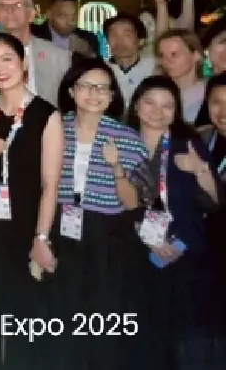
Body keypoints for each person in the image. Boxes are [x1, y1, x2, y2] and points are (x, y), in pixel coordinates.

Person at [0, 33, 63, 370]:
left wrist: (41, 238)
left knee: (27, 317)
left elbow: (50, 185)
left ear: (23, 63)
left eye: (6, 59)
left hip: (28, 228)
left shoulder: (45, 115)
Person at [52, 59, 146, 370]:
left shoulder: (128, 138)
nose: (94, 93)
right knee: (64, 309)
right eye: (86, 86)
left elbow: (135, 204)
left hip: (108, 233)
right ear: (71, 90)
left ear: (112, 96)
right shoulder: (55, 129)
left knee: (104, 311)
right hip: (62, 227)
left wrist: (117, 167)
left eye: (103, 88)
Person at [126, 74, 223, 370]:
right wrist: (147, 237)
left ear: (177, 110)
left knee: (185, 340)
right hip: (135, 252)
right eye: (150, 103)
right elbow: (113, 204)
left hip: (185, 252)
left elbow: (213, 203)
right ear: (136, 106)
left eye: (168, 105)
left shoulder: (188, 145)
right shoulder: (122, 145)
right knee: (144, 337)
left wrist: (201, 170)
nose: (158, 111)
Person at [0, 0, 77, 105]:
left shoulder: (58, 57)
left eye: (18, 5)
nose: (10, 10)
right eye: (3, 6)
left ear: (31, 14)